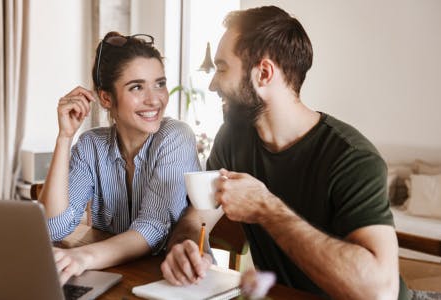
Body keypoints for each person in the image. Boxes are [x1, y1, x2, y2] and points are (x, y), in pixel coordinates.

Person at [160, 6, 410, 300]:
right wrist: (186, 248)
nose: (213, 83)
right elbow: (196, 219)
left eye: (223, 68)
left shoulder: (352, 158)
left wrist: (266, 208)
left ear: (264, 73)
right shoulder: (233, 139)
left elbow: (380, 292)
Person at [38, 32, 200, 284]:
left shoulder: (176, 137)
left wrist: (82, 258)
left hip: (176, 283)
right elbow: (53, 228)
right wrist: (65, 137)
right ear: (106, 97)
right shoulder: (91, 145)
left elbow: (153, 229)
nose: (154, 99)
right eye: (137, 86)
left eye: (159, 83)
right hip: (124, 276)